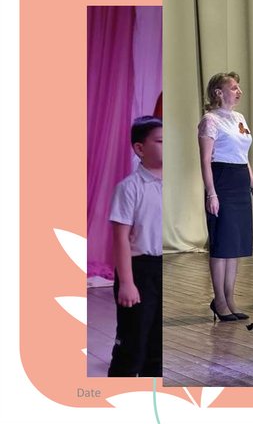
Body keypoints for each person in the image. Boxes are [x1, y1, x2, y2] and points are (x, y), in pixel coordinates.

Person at [199, 72, 253, 322]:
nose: (239, 91)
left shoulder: (239, 118)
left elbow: (243, 157)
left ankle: (230, 298)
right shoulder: (210, 120)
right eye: (233, 87)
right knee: (222, 244)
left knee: (234, 245)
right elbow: (205, 160)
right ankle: (219, 299)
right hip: (222, 180)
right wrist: (211, 193)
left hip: (240, 180)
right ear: (218, 92)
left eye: (239, 87)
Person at [107, 116, 163, 376]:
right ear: (140, 148)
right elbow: (120, 238)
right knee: (133, 343)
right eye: (160, 141)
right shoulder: (129, 188)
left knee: (158, 347)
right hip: (139, 270)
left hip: (164, 268)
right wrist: (127, 283)